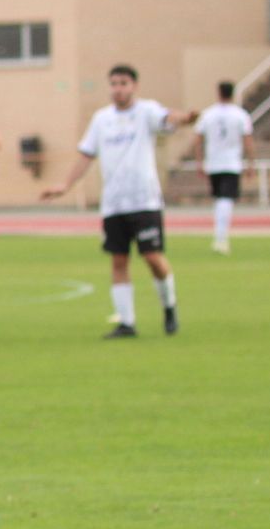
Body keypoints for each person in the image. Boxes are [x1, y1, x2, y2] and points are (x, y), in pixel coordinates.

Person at [41, 64, 196, 337]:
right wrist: (65, 185)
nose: (118, 88)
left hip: (144, 201)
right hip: (113, 203)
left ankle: (169, 306)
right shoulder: (102, 119)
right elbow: (87, 154)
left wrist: (185, 118)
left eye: (123, 83)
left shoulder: (145, 111)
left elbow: (168, 117)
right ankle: (127, 322)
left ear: (134, 86)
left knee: (153, 258)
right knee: (118, 261)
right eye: (113, 83)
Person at [189, 80, 255, 255]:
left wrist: (199, 161)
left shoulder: (208, 114)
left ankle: (220, 236)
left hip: (214, 163)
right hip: (232, 163)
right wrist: (251, 163)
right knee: (225, 199)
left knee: (220, 199)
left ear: (218, 93)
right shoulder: (241, 115)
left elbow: (197, 140)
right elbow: (248, 140)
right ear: (232, 93)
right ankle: (221, 238)